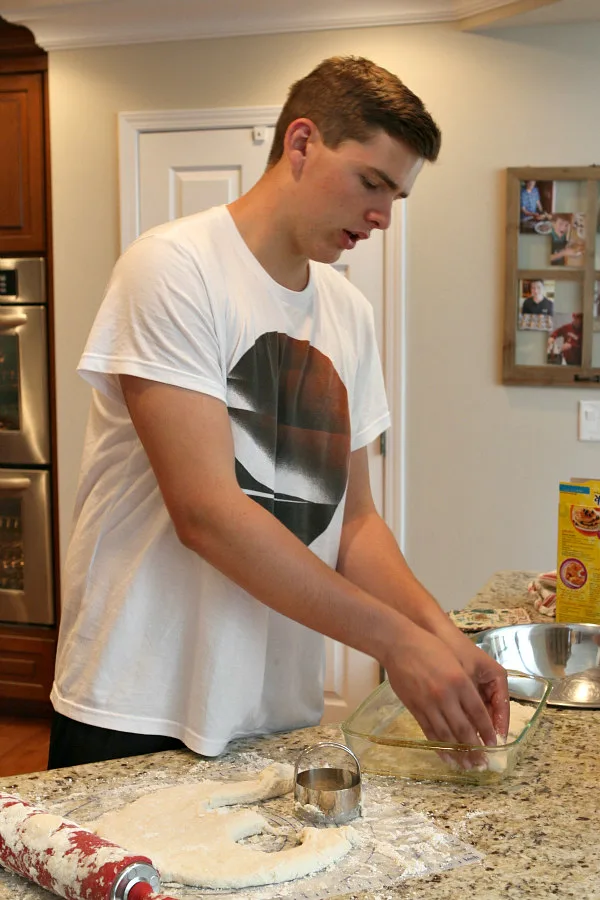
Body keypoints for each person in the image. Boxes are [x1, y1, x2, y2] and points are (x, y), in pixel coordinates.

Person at [48, 56, 509, 769]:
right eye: (372, 182)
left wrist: (442, 637)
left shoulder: (348, 313)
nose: (383, 216)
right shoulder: (174, 268)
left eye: (397, 197)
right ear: (301, 143)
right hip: (138, 702)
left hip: (270, 712)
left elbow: (353, 522)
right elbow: (208, 515)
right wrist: (394, 643)